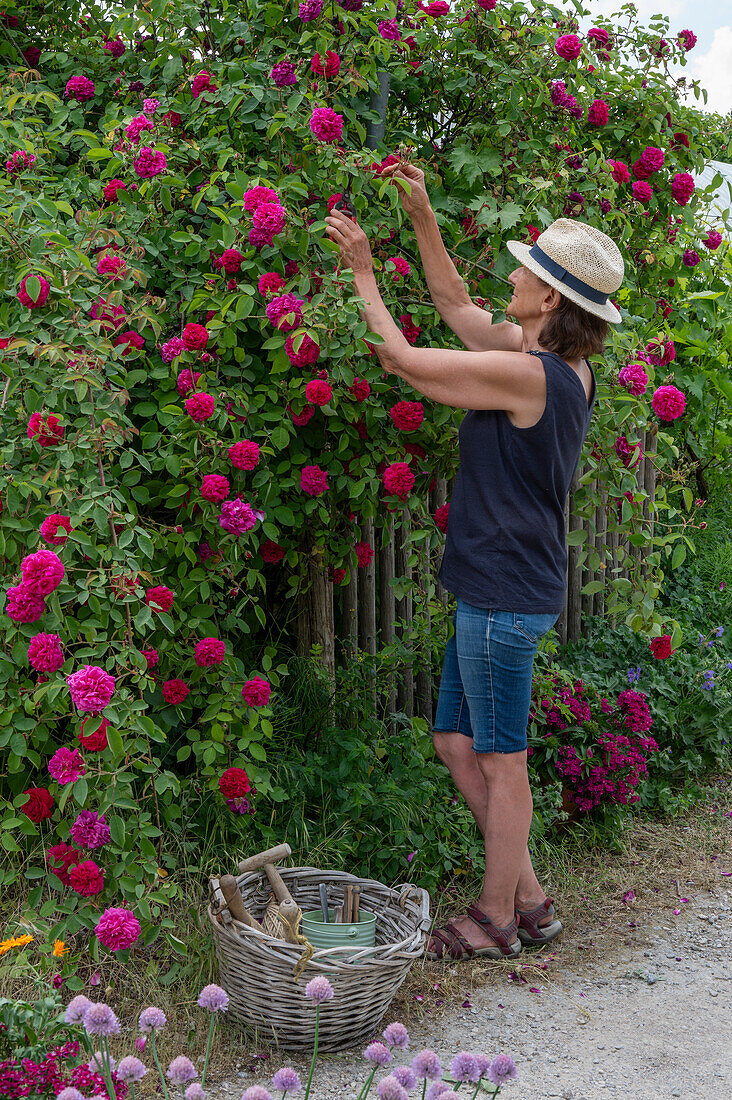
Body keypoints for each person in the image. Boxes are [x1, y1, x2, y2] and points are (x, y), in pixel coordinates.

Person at [324, 160, 624, 962]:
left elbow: (404, 361)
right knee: (457, 743)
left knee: (501, 754)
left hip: (503, 594)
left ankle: (495, 919)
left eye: (527, 272)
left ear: (551, 299)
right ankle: (530, 898)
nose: (515, 276)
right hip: (495, 587)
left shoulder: (529, 376)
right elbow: (456, 307)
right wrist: (421, 214)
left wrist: (361, 273)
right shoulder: (550, 361)